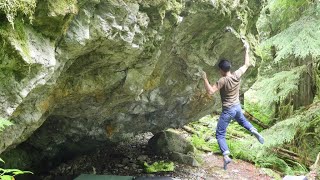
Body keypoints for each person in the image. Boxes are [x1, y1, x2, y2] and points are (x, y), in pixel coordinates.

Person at [201, 40, 264, 170]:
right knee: (242, 121)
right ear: (229, 68)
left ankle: (226, 156)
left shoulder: (222, 80)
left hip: (228, 110)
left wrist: (204, 78)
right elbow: (246, 64)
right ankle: (253, 130)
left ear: (221, 70)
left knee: (220, 134)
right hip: (237, 107)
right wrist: (247, 48)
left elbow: (211, 91)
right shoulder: (236, 75)